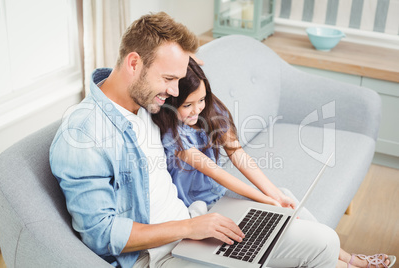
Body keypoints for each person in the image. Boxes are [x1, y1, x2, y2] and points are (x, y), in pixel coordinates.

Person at [50, 11, 346, 268]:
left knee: (325, 242)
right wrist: (191, 227)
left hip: (195, 229)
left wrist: (179, 64)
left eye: (178, 79)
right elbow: (102, 234)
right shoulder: (84, 135)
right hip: (156, 257)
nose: (176, 92)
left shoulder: (144, 102)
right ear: (133, 64)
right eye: (169, 79)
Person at [151, 57, 395, 268]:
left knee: (286, 198)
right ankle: (347, 263)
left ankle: (347, 258)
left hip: (219, 196)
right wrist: (265, 199)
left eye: (202, 99)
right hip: (198, 208)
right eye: (188, 105)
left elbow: (238, 156)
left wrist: (274, 195)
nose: (197, 110)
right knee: (272, 207)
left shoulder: (211, 110)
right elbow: (216, 172)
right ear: (172, 102)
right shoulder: (174, 136)